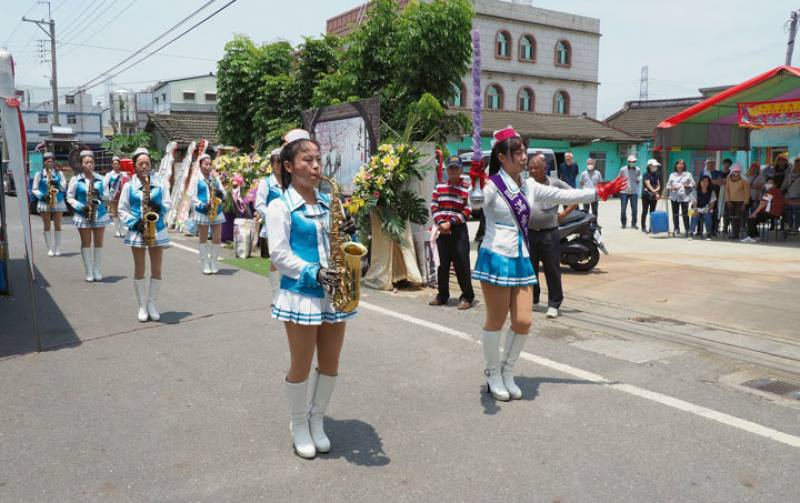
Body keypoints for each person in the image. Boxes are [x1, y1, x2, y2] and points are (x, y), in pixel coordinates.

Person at [473, 126, 626, 402]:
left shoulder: (529, 186)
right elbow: (477, 204)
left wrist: (599, 192)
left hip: (520, 258)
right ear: (502, 156)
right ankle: (492, 372)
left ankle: (508, 371)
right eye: (517, 152)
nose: (523, 157)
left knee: (523, 320)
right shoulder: (492, 185)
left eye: (523, 151)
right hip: (496, 256)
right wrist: (474, 183)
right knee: (496, 321)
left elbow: (564, 196)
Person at [266, 129, 353, 459]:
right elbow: (279, 254)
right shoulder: (280, 207)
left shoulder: (331, 202)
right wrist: (312, 271)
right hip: (301, 293)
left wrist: (348, 235)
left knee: (330, 363)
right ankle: (298, 423)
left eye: (318, 160)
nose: (316, 166)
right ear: (289, 166)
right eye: (308, 160)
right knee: (301, 365)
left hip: (335, 291)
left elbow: (340, 246)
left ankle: (318, 420)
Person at [118, 148, 172, 322]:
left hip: (157, 229)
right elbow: (121, 209)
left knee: (157, 268)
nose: (144, 166)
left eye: (147, 163)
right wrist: (135, 223)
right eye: (140, 163)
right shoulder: (128, 185)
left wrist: (159, 208)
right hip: (138, 231)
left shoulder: (160, 183)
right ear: (135, 166)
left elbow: (168, 203)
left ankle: (151, 304)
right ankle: (141, 305)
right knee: (139, 269)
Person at [528, 153, 573, 319]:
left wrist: (563, 214)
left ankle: (554, 303)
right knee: (530, 269)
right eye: (530, 168)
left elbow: (574, 196)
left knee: (552, 270)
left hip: (549, 233)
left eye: (535, 168)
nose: (532, 171)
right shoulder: (527, 185)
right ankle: (532, 299)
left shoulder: (554, 183)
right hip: (529, 233)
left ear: (544, 168)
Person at [429, 156, 474, 310]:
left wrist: (451, 222)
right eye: (451, 168)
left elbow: (468, 209)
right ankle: (442, 295)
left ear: (461, 170)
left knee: (462, 264)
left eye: (456, 168)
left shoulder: (467, 188)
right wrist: (441, 223)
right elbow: (434, 206)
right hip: (442, 231)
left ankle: (467, 296)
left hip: (459, 231)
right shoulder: (439, 187)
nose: (453, 171)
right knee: (442, 265)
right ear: (446, 170)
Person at [67, 150, 111, 282]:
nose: (89, 165)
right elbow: (69, 197)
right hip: (83, 214)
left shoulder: (102, 179)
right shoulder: (76, 179)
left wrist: (100, 193)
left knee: (98, 243)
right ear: (81, 164)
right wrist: (81, 207)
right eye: (86, 162)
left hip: (99, 213)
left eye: (91, 162)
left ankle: (97, 269)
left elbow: (108, 197)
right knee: (86, 243)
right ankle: (89, 271)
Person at [193, 153, 227, 275]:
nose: (208, 166)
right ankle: (206, 262)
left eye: (209, 164)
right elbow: (192, 197)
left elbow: (223, 193)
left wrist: (220, 195)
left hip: (216, 210)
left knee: (217, 238)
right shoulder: (196, 179)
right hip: (203, 211)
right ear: (200, 165)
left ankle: (214, 262)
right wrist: (202, 205)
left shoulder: (215, 178)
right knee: (203, 238)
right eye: (205, 164)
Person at [31, 152, 66, 256]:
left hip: (58, 201)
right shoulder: (39, 174)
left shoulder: (59, 174)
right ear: (44, 163)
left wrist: (57, 183)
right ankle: (50, 248)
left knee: (58, 225)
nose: (50, 163)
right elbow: (34, 189)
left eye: (51, 161)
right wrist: (42, 196)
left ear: (54, 162)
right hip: (45, 202)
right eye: (47, 161)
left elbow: (64, 188)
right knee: (47, 226)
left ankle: (57, 247)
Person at [742, 177, 785, 243]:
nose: (768, 184)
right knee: (753, 219)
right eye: (768, 182)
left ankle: (754, 237)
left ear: (775, 184)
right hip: (777, 213)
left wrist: (754, 213)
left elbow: (763, 203)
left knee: (750, 219)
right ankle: (753, 236)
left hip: (770, 212)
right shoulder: (778, 191)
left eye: (770, 183)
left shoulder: (771, 191)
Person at [666, 159, 694, 238]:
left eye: (682, 164)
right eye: (678, 164)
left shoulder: (688, 174)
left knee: (686, 213)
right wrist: (672, 188)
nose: (680, 166)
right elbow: (667, 185)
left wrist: (687, 186)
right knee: (675, 213)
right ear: (676, 166)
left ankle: (687, 228)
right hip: (674, 196)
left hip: (685, 196)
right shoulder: (672, 174)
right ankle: (676, 228)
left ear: (684, 166)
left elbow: (693, 183)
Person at [723, 163, 750, 240]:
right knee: (731, 218)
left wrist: (745, 204)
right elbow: (726, 190)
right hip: (730, 202)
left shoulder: (744, 180)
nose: (736, 172)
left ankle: (736, 234)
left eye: (738, 171)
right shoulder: (728, 178)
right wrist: (728, 201)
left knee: (737, 218)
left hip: (740, 202)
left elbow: (747, 192)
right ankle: (733, 233)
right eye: (735, 171)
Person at [103, 155, 127, 237]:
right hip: (113, 196)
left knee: (122, 212)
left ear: (120, 165)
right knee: (115, 213)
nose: (116, 165)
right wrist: (107, 196)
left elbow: (128, 182)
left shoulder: (123, 174)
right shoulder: (109, 175)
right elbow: (105, 185)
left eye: (117, 164)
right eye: (114, 164)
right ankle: (117, 230)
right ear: (112, 165)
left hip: (122, 196)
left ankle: (122, 230)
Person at [689, 176, 716, 240]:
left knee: (707, 215)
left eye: (706, 181)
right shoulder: (695, 191)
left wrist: (707, 209)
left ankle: (708, 234)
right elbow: (694, 203)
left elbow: (712, 204)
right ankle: (691, 233)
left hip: (707, 209)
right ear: (700, 182)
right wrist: (696, 209)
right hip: (696, 208)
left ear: (709, 183)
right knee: (692, 213)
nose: (704, 183)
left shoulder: (712, 192)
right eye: (702, 181)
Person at [619, 154, 641, 229]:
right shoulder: (623, 169)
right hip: (624, 191)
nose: (632, 162)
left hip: (634, 191)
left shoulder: (638, 169)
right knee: (623, 209)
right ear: (628, 161)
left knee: (634, 209)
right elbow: (619, 178)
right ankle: (623, 223)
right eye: (631, 161)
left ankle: (634, 223)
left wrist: (638, 180)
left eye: (634, 161)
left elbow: (638, 178)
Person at [641, 159, 662, 232]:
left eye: (656, 166)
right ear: (650, 166)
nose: (656, 167)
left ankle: (651, 227)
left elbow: (658, 185)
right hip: (646, 195)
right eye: (654, 165)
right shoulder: (646, 174)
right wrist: (655, 192)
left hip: (654, 195)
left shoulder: (656, 175)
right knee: (645, 211)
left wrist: (656, 192)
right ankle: (643, 227)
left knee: (652, 212)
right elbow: (648, 185)